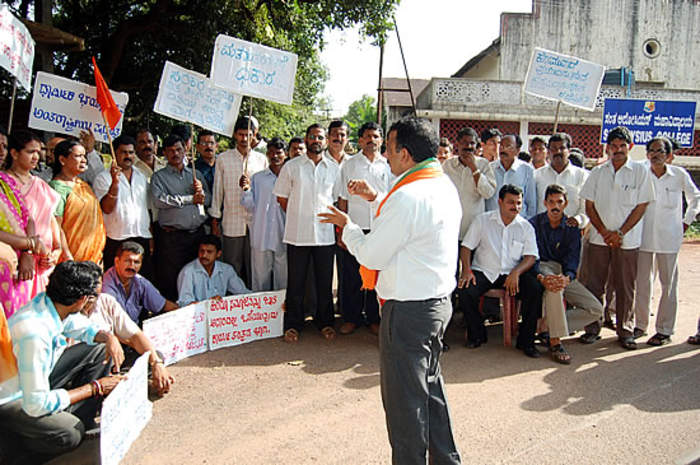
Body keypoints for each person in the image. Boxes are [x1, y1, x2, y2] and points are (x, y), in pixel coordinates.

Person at [319, 117, 462, 465]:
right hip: (436, 305)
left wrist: (348, 227)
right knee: (429, 393)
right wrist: (375, 197)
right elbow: (410, 219)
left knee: (406, 405)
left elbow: (370, 253)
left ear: (406, 154)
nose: (384, 152)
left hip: (409, 312)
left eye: (389, 147)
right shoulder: (440, 184)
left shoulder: (409, 195)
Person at [0, 261, 124, 463]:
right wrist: (94, 388)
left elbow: (81, 328)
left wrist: (108, 337)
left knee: (98, 350)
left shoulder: (51, 305)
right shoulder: (34, 334)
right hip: (11, 400)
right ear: (82, 300)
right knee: (68, 433)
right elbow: (35, 405)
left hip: (31, 386)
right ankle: (17, 449)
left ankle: (76, 419)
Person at [579, 126, 655, 350]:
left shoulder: (640, 172)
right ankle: (592, 327)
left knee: (625, 286)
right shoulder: (598, 172)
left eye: (623, 146)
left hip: (628, 241)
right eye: (614, 146)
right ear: (608, 148)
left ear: (630, 147)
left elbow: (642, 206)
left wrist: (620, 233)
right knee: (594, 285)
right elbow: (589, 205)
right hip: (599, 239)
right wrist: (604, 232)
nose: (618, 150)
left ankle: (625, 331)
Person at [273, 123, 340, 343]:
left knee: (324, 282)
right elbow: (282, 198)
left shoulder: (333, 168)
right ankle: (293, 324)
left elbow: (337, 200)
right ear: (306, 139)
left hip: (324, 235)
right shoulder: (292, 167)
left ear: (326, 141)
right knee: (296, 282)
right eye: (312, 137)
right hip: (297, 234)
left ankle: (326, 322)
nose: (316, 140)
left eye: (320, 137)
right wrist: (299, 215)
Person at [459, 184, 543, 357]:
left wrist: (516, 273)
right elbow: (466, 247)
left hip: (512, 273)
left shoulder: (525, 227)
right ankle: (477, 335)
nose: (515, 207)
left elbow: (531, 256)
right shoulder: (483, 220)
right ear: (500, 202)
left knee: (534, 289)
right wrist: (466, 270)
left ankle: (526, 342)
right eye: (511, 202)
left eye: (519, 203)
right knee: (466, 290)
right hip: (484, 270)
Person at [633, 137, 700, 346]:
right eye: (651, 151)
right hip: (643, 238)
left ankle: (664, 330)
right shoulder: (641, 173)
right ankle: (640, 326)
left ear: (669, 155)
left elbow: (695, 198)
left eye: (660, 151)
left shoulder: (678, 175)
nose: (655, 155)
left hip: (669, 238)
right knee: (642, 283)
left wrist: (686, 223)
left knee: (668, 284)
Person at [531, 184, 603, 364]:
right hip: (541, 268)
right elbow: (530, 256)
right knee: (554, 288)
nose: (555, 206)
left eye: (559, 202)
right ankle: (555, 343)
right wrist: (546, 277)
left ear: (566, 204)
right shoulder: (534, 224)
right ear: (545, 203)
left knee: (595, 309)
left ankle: (547, 327)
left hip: (563, 273)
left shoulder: (572, 228)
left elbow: (572, 261)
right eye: (551, 202)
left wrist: (567, 278)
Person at [82, 262, 174, 396]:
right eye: (87, 285)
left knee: (153, 355)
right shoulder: (69, 313)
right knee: (100, 350)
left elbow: (135, 335)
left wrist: (157, 364)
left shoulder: (106, 301)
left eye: (97, 283)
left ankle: (120, 383)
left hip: (114, 366)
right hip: (88, 372)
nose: (93, 289)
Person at [337, 122, 392, 336]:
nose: (372, 140)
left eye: (376, 137)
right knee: (352, 274)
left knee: (374, 274)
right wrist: (343, 229)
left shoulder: (387, 165)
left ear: (381, 140)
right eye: (367, 137)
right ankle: (351, 318)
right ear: (360, 141)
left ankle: (373, 318)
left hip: (379, 227)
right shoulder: (350, 165)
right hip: (356, 227)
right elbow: (343, 198)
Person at [4, 130, 67, 298]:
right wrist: (28, 251)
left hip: (44, 262)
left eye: (38, 152)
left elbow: (51, 220)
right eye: (30, 152)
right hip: (15, 259)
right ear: (14, 153)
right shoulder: (5, 184)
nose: (36, 157)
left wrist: (57, 249)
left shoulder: (41, 185)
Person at [209, 116, 268, 287]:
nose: (244, 139)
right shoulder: (223, 159)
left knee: (255, 267)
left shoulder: (261, 160)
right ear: (235, 135)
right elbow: (217, 191)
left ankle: (253, 303)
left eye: (248, 135)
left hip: (255, 223)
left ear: (254, 135)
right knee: (232, 266)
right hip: (232, 221)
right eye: (241, 135)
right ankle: (232, 306)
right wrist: (215, 220)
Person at [151, 134, 211, 300]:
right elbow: (160, 200)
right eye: (170, 151)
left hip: (197, 235)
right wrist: (189, 199)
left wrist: (201, 193)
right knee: (172, 280)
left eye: (178, 149)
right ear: (164, 153)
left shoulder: (195, 174)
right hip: (173, 237)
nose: (175, 154)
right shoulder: (159, 177)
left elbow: (209, 200)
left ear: (185, 150)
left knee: (196, 277)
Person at [92, 135, 153, 279]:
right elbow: (106, 208)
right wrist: (114, 183)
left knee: (142, 280)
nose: (128, 156)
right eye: (123, 152)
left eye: (131, 152)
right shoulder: (103, 178)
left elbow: (147, 209)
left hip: (141, 236)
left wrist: (151, 237)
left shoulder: (141, 177)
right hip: (116, 237)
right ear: (115, 154)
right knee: (117, 279)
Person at [240, 137, 288, 291]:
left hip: (284, 235)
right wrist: (246, 190)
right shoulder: (258, 178)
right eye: (271, 152)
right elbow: (249, 207)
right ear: (267, 154)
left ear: (285, 154)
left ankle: (282, 312)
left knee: (284, 280)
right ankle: (261, 314)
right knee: (260, 280)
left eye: (278, 153)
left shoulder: (291, 178)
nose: (274, 156)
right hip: (261, 235)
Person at [49, 140, 106, 264]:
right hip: (70, 259)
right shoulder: (57, 187)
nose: (84, 160)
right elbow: (56, 225)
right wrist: (67, 255)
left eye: (84, 156)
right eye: (78, 156)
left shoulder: (83, 185)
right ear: (62, 160)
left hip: (93, 258)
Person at [0, 169, 47, 318]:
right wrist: (29, 244)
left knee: (20, 319)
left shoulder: (6, 180)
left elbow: (28, 218)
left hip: (21, 263)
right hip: (4, 263)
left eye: (4, 146)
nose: (1, 152)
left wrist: (28, 252)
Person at [442, 127, 497, 242]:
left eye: (472, 143)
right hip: (452, 229)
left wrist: (474, 168)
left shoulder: (483, 165)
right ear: (458, 144)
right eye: (464, 143)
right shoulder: (448, 165)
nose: (468, 147)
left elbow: (488, 193)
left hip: (474, 230)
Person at [103, 241, 178, 324]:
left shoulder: (139, 281)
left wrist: (186, 312)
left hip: (133, 331)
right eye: (127, 261)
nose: (132, 266)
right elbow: (115, 323)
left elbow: (163, 305)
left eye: (136, 262)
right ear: (117, 261)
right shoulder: (106, 285)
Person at [534, 132, 589, 228]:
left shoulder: (582, 176)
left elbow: (586, 208)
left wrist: (578, 220)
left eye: (562, 148)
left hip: (570, 232)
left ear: (569, 150)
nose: (558, 152)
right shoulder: (537, 175)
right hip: (542, 233)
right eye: (554, 149)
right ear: (548, 152)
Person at [177, 235, 249, 306]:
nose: (204, 255)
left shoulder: (227, 270)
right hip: (198, 314)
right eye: (202, 251)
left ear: (218, 254)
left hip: (220, 313)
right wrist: (209, 304)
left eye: (209, 252)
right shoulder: (188, 272)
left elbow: (243, 293)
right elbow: (185, 304)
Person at [485, 134, 537, 218]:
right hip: (492, 223)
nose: (503, 150)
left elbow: (531, 203)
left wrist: (528, 224)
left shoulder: (527, 170)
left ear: (517, 150)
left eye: (508, 147)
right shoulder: (489, 168)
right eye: (501, 146)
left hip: (517, 224)